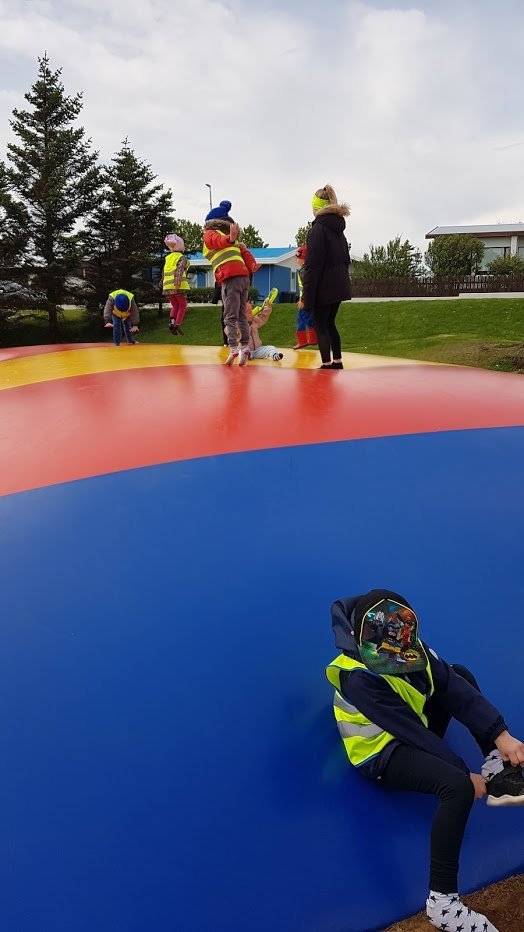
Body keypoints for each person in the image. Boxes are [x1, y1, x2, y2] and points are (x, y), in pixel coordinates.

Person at [326, 588, 524, 932]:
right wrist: (461, 773)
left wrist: (500, 735)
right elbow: (410, 732)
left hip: (409, 723)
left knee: (459, 675)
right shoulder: (357, 677)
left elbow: (451, 687)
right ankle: (442, 903)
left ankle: (497, 767)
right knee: (457, 788)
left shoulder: (410, 646)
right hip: (382, 750)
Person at [203, 199, 258, 366]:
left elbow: (215, 240)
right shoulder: (234, 242)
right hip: (244, 278)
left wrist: (230, 238)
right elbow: (245, 253)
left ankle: (233, 347)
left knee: (229, 316)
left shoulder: (211, 234)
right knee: (241, 315)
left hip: (230, 277)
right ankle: (245, 346)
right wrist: (252, 265)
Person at [301, 184, 351, 369]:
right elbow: (345, 259)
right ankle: (337, 361)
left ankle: (326, 364)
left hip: (323, 287)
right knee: (330, 323)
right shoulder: (339, 230)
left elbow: (312, 267)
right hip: (339, 285)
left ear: (316, 208)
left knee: (320, 325)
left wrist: (307, 297)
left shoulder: (318, 230)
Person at [161, 233, 190, 335]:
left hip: (167, 287)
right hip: (177, 286)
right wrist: (177, 283)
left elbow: (164, 272)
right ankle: (177, 324)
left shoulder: (168, 258)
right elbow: (179, 270)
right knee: (182, 305)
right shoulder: (181, 257)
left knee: (175, 305)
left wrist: (162, 284)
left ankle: (172, 322)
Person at [293, 245, 317, 350]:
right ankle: (312, 339)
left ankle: (302, 341)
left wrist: (302, 301)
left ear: (303, 258)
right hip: (310, 299)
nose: (296, 260)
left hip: (306, 300)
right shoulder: (311, 270)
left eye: (298, 258)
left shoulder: (303, 271)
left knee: (301, 319)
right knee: (309, 319)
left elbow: (306, 286)